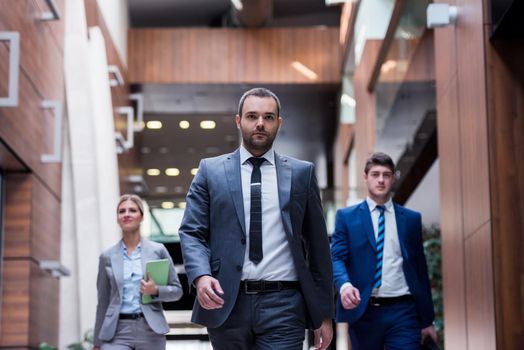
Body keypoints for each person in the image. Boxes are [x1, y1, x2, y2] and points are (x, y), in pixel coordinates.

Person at [179, 87, 334, 350]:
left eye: (268, 117)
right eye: (252, 116)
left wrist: (325, 314)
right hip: (227, 302)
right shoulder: (210, 171)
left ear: (279, 123)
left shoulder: (301, 173)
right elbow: (192, 232)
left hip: (285, 304)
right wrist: (201, 276)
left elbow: (319, 248)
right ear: (238, 121)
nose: (260, 123)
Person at [331, 152, 438, 350]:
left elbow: (420, 271)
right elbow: (336, 257)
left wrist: (427, 321)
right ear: (365, 177)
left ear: (393, 178)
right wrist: (344, 285)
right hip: (364, 311)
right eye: (375, 174)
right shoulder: (346, 217)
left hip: (404, 310)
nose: (381, 180)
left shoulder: (411, 219)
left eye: (386, 175)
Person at [94, 194, 183, 350]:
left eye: (132, 210)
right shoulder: (106, 257)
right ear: (117, 218)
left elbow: (177, 291)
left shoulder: (158, 251)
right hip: (116, 331)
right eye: (122, 211)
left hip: (150, 329)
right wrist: (96, 341)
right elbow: (102, 302)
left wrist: (155, 291)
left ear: (142, 217)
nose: (127, 214)